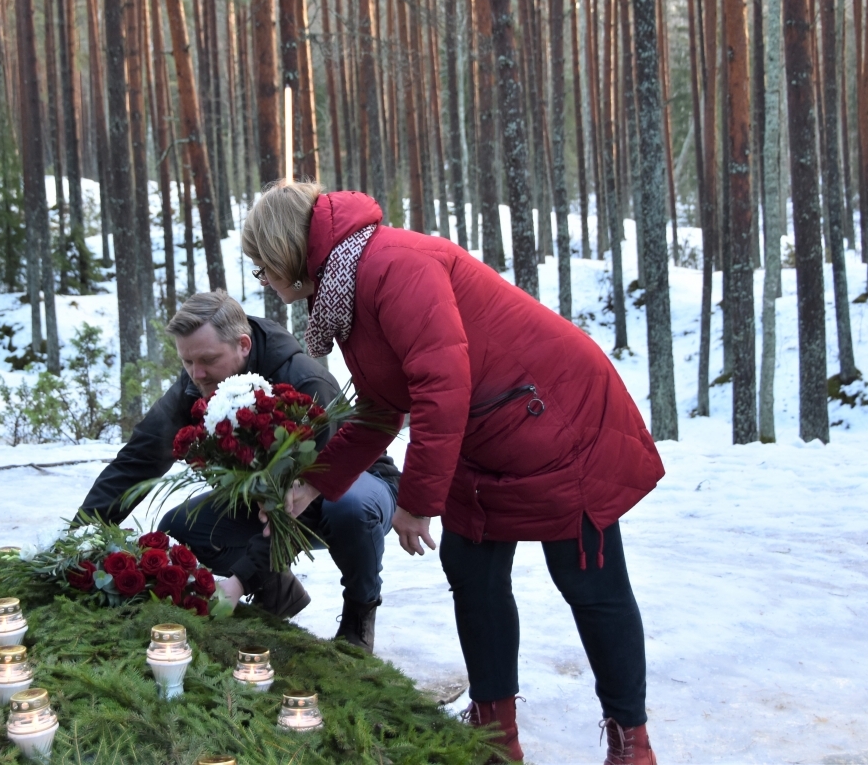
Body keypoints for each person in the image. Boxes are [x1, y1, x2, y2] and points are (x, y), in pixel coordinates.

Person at [241, 182, 665, 765]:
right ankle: (496, 734)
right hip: (484, 429)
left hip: (557, 415)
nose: (263, 279)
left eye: (262, 266)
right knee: (472, 570)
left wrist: (415, 502)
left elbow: (442, 390)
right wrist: (315, 479)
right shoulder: (349, 289)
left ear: (287, 250)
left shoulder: (395, 267)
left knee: (590, 582)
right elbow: (381, 407)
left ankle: (631, 740)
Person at [74, 289, 399, 651]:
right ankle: (278, 591)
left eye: (207, 360)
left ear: (243, 345)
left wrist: (240, 580)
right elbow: (138, 458)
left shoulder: (304, 383)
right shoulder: (199, 381)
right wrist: (79, 537)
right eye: (186, 363)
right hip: (271, 503)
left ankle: (359, 614)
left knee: (347, 507)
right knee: (180, 527)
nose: (196, 374)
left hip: (352, 486)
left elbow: (298, 496)